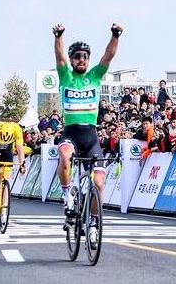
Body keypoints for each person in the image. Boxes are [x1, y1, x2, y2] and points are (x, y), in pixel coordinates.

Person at [51, 21, 124, 247]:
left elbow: (107, 56)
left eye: (85, 57)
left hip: (91, 138)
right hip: (71, 135)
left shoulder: (94, 76)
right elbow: (60, 57)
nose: (82, 60)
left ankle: (93, 224)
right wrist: (59, 36)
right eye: (78, 57)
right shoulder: (66, 77)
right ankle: (67, 195)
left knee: (99, 185)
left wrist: (115, 35)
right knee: (64, 156)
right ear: (73, 60)